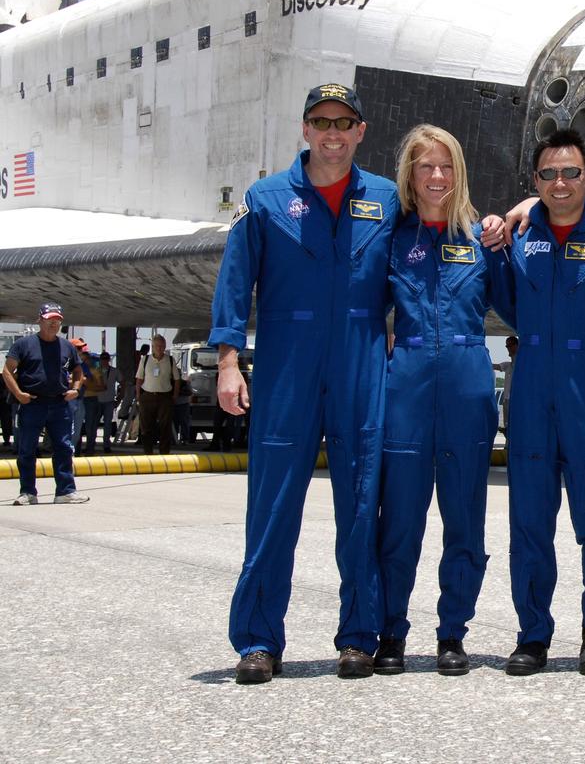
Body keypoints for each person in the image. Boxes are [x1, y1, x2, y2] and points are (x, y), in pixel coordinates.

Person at [211, 83, 398, 684]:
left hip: (361, 359)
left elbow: (436, 251)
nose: (333, 133)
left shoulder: (388, 200)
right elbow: (236, 283)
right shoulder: (265, 200)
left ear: (361, 131)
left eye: (345, 122)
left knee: (362, 504)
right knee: (271, 505)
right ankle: (260, 640)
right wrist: (228, 360)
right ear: (305, 129)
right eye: (322, 122)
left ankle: (359, 637)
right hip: (288, 365)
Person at [373, 124, 514, 678]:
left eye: (446, 166)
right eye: (425, 166)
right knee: (400, 521)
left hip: (466, 386)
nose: (436, 177)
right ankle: (391, 632)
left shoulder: (483, 240)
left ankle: (453, 632)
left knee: (465, 521)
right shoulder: (389, 237)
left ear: (460, 173)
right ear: (409, 173)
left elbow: (521, 304)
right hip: (405, 386)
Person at [496, 128, 585, 677]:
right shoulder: (517, 239)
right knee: (529, 522)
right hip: (530, 392)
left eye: (571, 172)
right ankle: (532, 634)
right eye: (549, 174)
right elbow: (506, 302)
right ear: (535, 181)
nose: (560, 182)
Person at [3, 303, 88, 504]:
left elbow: (78, 370)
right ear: (39, 320)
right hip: (32, 404)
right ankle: (27, 493)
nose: (53, 323)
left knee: (64, 448)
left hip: (59, 404)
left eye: (57, 320)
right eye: (49, 320)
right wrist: (18, 394)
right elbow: (7, 371)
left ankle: (65, 491)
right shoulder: (23, 345)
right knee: (27, 449)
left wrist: (75, 389)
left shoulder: (66, 346)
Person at [136, 334, 180, 455]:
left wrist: (175, 396)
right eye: (157, 346)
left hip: (165, 397)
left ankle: (164, 453)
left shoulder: (170, 360)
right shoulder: (145, 360)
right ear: (153, 347)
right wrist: (138, 395)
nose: (160, 348)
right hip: (148, 396)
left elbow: (177, 379)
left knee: (165, 426)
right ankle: (148, 453)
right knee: (146, 427)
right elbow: (139, 378)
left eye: (162, 346)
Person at [69, 338, 90, 454]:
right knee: (68, 430)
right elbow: (65, 382)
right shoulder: (64, 363)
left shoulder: (82, 365)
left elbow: (88, 381)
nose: (81, 351)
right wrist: (79, 380)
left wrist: (77, 380)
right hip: (67, 401)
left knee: (76, 431)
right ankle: (66, 454)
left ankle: (71, 452)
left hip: (80, 400)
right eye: (78, 348)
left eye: (81, 348)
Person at [495, 335, 518, 434]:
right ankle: (508, 444)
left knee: (515, 424)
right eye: (507, 346)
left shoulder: (522, 364)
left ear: (517, 346)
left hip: (516, 400)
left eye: (510, 345)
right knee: (507, 424)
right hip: (506, 400)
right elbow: (494, 366)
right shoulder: (507, 365)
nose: (508, 348)